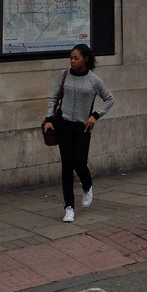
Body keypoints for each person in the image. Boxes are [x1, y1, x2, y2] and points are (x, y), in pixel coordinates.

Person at [43, 44, 115, 222]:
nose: (72, 61)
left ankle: (87, 184)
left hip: (82, 128)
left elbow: (109, 99)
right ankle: (69, 208)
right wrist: (49, 119)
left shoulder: (93, 80)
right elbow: (54, 98)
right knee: (66, 166)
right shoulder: (64, 75)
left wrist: (95, 116)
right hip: (64, 126)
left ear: (86, 59)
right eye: (71, 58)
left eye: (76, 58)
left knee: (80, 163)